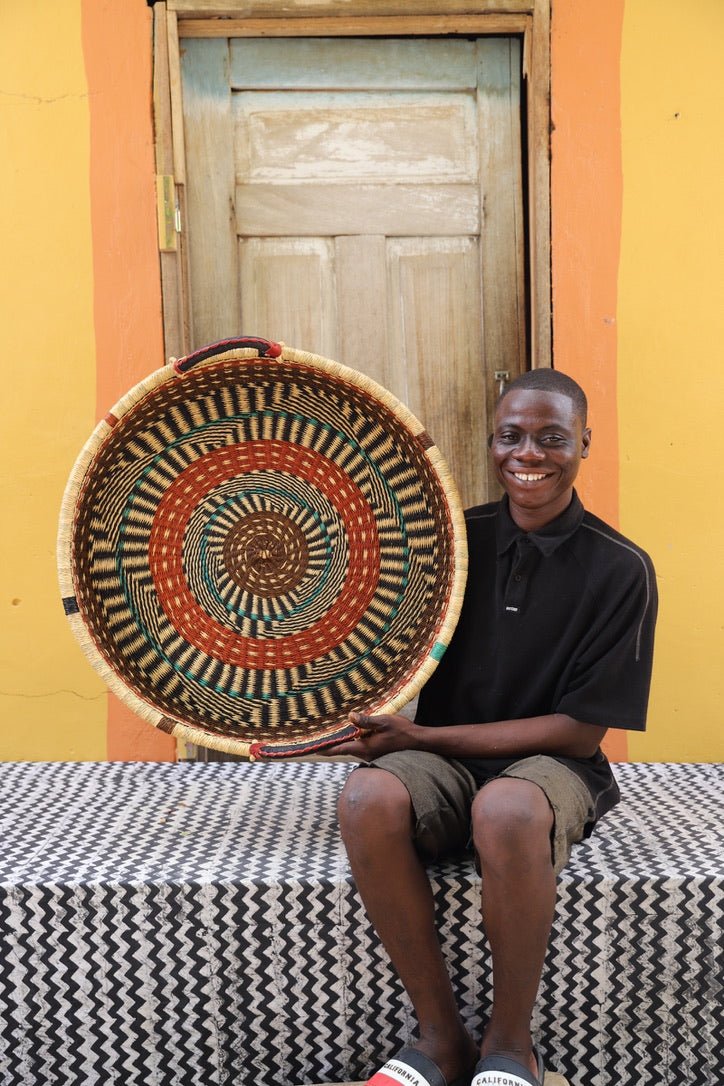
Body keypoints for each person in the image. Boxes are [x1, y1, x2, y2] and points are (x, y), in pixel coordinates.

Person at [325, 369, 657, 1086]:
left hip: (550, 767)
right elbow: (363, 637)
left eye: (551, 438)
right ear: (492, 442)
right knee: (366, 797)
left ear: (584, 443)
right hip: (441, 764)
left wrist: (419, 738)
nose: (528, 453)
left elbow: (578, 735)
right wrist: (317, 717)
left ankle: (509, 1047)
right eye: (511, 436)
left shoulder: (621, 568)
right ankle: (440, 1039)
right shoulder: (451, 541)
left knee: (504, 809)